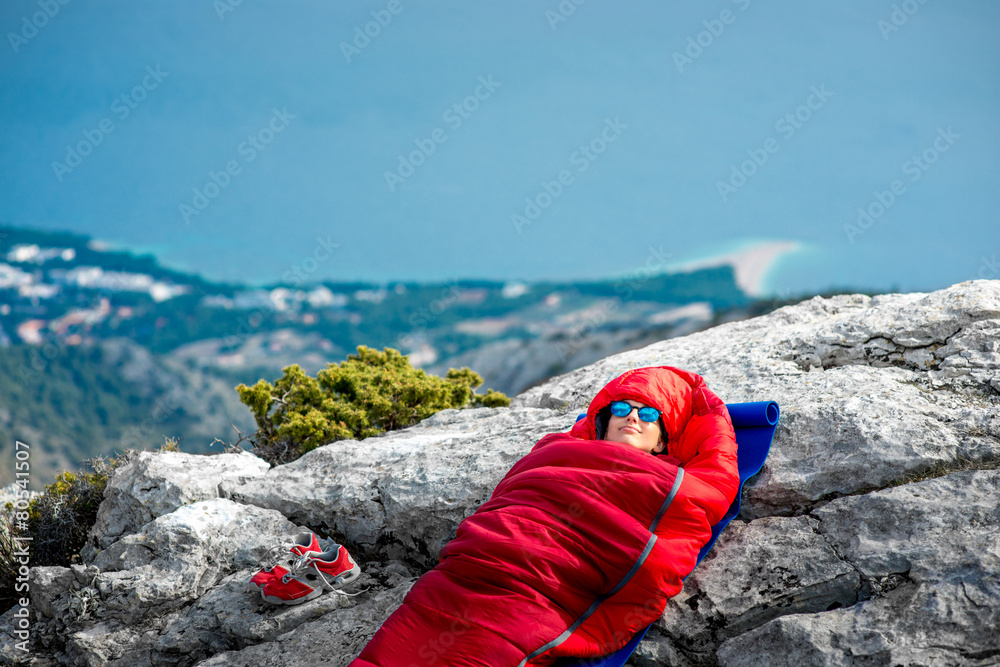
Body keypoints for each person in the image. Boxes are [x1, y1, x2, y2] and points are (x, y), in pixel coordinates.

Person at [351, 366, 739, 666]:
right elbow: (510, 496)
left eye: (649, 414)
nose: (633, 417)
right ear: (602, 424)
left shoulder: (672, 483)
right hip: (476, 566)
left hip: (547, 589)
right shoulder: (555, 450)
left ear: (662, 443)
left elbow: (709, 490)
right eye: (621, 408)